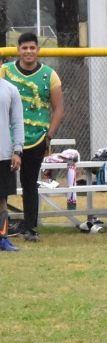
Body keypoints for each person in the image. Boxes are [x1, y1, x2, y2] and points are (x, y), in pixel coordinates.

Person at [0, 32, 65, 242]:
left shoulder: (49, 75)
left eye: (32, 48)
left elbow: (58, 108)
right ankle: (4, 227)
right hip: (6, 138)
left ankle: (30, 227)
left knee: (29, 184)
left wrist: (49, 135)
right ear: (18, 50)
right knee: (3, 186)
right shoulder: (5, 71)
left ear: (38, 50)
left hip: (36, 137)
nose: (28, 52)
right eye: (24, 48)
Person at [0, 78, 24, 251]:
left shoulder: (10, 89)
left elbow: (17, 122)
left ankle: (2, 238)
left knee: (1, 199)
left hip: (3, 153)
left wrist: (17, 150)